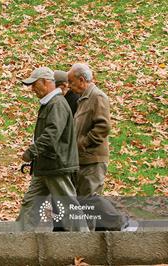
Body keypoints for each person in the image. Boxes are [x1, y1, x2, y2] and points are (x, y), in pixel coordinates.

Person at [16, 66, 89, 232]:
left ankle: (85, 240)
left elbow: (51, 134)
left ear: (46, 82)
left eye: (34, 84)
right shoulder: (50, 103)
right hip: (45, 166)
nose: (32, 89)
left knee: (68, 204)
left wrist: (32, 151)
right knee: (30, 202)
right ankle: (18, 238)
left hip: (56, 165)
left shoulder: (56, 104)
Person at [67, 63, 136, 231]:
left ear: (82, 80)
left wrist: (83, 143)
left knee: (89, 198)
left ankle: (121, 223)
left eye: (71, 82)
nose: (69, 86)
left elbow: (103, 126)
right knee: (83, 200)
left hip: (93, 157)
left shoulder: (97, 97)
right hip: (83, 158)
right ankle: (96, 236)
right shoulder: (84, 98)